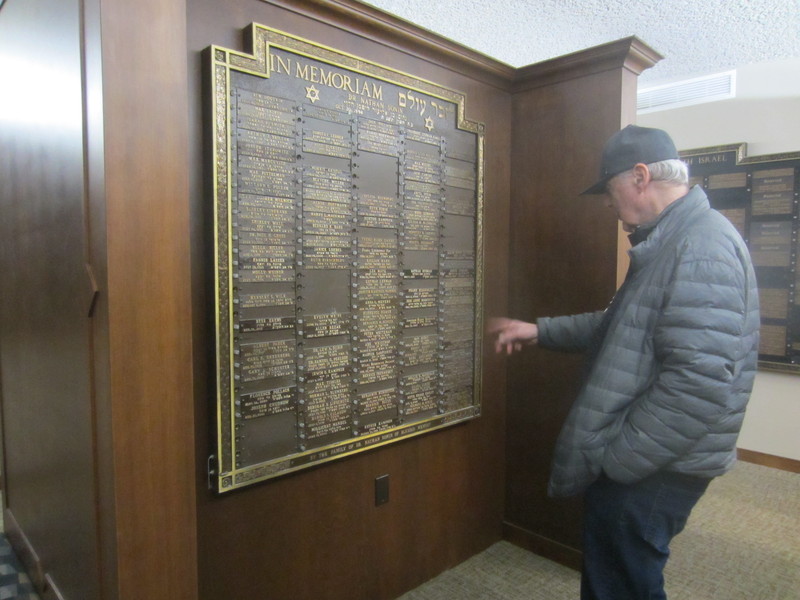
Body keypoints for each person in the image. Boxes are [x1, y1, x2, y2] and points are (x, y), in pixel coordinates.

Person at [489, 125, 760, 600]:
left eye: (609, 191)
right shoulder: (674, 239)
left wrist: (619, 460)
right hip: (655, 460)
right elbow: (626, 325)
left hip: (655, 468)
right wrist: (540, 330)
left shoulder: (701, 247)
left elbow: (698, 384)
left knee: (622, 584)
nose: (608, 206)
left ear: (639, 177)